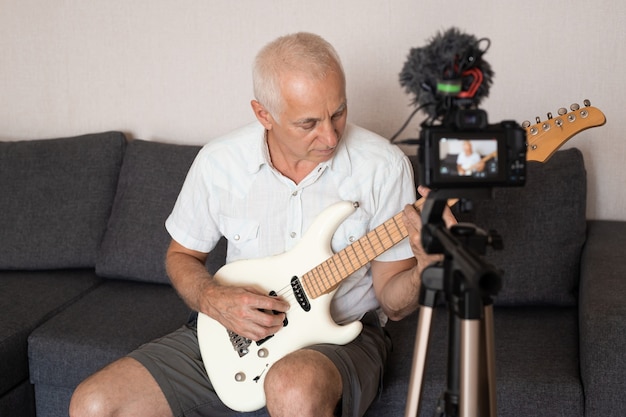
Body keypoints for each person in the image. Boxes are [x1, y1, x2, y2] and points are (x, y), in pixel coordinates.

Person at [69, 32, 455, 417]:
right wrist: (212, 300)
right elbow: (181, 255)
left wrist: (425, 267)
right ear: (263, 114)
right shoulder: (219, 162)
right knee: (93, 404)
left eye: (338, 112)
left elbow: (393, 301)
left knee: (291, 388)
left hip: (341, 338)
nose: (331, 135)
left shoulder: (383, 167)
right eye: (309, 123)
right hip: (229, 334)